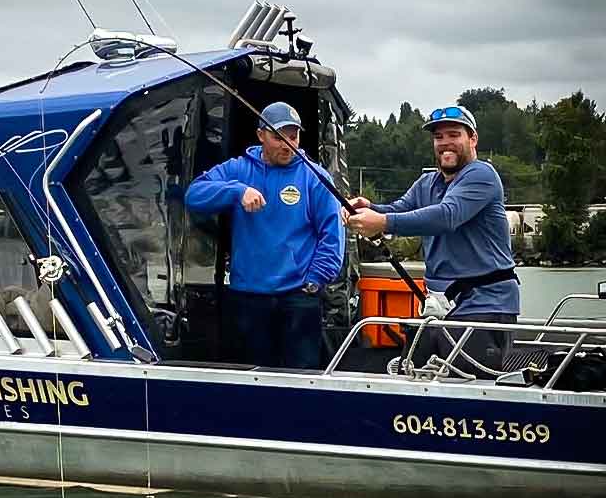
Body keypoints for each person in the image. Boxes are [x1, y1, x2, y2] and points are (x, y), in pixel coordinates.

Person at [343, 105, 519, 373]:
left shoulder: (481, 175)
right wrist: (368, 208)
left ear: (472, 139)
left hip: (485, 304)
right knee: (409, 378)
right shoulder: (427, 183)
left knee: (469, 390)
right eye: (438, 137)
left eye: (453, 134)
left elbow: (446, 216)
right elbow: (400, 209)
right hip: (438, 308)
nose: (445, 143)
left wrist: (382, 222)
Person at [184, 101, 344, 368]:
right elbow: (194, 195)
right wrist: (236, 191)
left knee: (301, 380)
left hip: (298, 298)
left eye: (293, 137)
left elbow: (332, 236)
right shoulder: (239, 169)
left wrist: (315, 280)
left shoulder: (314, 176)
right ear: (261, 136)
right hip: (248, 297)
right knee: (251, 380)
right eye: (278, 137)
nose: (287, 145)